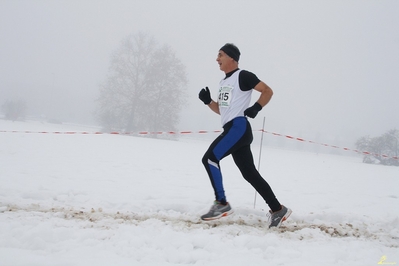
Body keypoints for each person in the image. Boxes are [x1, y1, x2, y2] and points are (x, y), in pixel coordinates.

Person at [198, 43, 291, 228]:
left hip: (238, 127)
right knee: (249, 174)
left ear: (232, 58)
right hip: (232, 128)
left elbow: (267, 91)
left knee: (210, 159)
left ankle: (222, 203)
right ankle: (277, 209)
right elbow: (223, 111)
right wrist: (208, 101)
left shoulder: (243, 76)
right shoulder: (224, 82)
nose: (217, 59)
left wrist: (256, 107)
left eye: (221, 55)